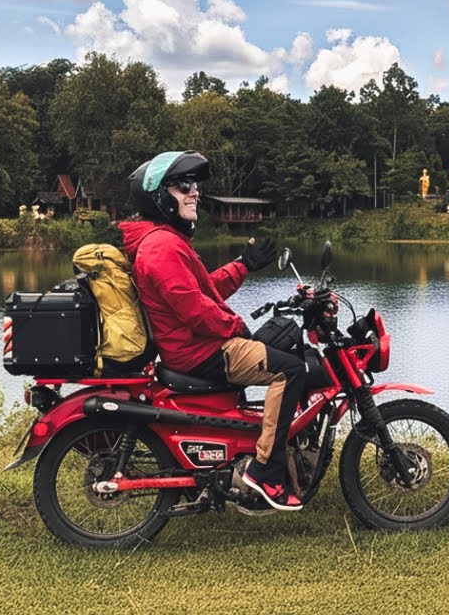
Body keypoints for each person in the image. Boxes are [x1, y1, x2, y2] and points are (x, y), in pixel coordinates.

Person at [119, 150, 308, 512]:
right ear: (159, 196)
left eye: (194, 185)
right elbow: (194, 311)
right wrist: (238, 328)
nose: (195, 193)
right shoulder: (160, 247)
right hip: (199, 351)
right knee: (290, 368)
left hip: (197, 344)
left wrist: (242, 265)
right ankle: (266, 471)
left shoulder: (166, 240)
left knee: (279, 352)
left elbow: (205, 291)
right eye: (183, 186)